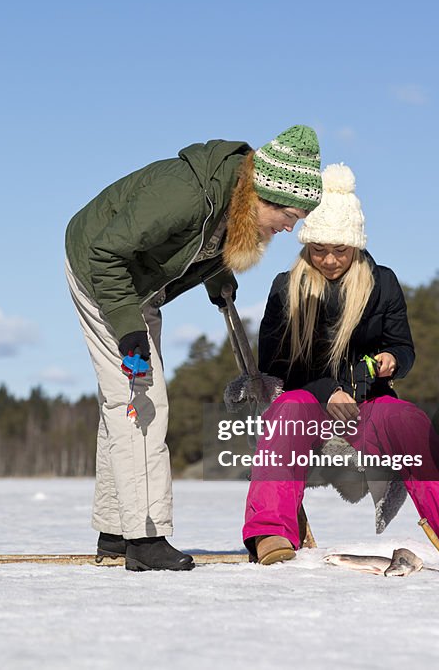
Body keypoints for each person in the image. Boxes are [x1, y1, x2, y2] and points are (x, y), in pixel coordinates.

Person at [65, 126, 323, 571]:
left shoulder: (235, 204)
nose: (288, 228)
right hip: (101, 274)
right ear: (262, 194)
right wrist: (128, 329)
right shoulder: (187, 194)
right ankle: (145, 540)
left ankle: (117, 533)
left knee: (125, 401)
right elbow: (108, 252)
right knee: (141, 398)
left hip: (138, 287)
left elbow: (202, 242)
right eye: (290, 216)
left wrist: (218, 276)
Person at [242, 163, 439, 566]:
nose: (328, 260)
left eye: (339, 250)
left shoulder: (384, 283)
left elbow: (403, 346)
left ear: (355, 245)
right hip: (307, 401)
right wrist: (327, 390)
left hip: (369, 402)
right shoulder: (285, 288)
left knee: (410, 421)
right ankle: (270, 531)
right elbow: (274, 363)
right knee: (285, 413)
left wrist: (395, 359)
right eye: (318, 249)